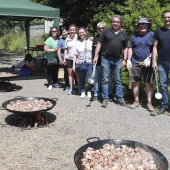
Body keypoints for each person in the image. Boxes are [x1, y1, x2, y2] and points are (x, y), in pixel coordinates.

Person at [93, 15, 128, 107]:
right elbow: (99, 44)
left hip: (117, 59)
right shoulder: (105, 31)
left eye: (117, 22)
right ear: (111, 22)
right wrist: (96, 56)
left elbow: (125, 48)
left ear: (120, 23)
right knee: (105, 80)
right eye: (114, 21)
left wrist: (125, 59)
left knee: (118, 80)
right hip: (106, 58)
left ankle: (120, 99)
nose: (115, 23)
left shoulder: (123, 34)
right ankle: (105, 98)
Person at [127, 18, 155, 111]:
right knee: (135, 83)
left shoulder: (152, 35)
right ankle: (136, 101)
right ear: (138, 26)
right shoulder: (134, 36)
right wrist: (128, 60)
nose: (143, 26)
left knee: (149, 83)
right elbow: (130, 48)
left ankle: (149, 103)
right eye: (141, 24)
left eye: (145, 24)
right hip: (136, 62)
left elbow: (155, 48)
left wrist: (150, 58)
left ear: (148, 26)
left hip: (148, 63)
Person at [152, 10, 170, 115]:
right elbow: (155, 47)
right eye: (165, 17)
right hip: (162, 62)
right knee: (163, 85)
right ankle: (164, 105)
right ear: (163, 18)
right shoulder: (158, 31)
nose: (167, 19)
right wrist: (154, 61)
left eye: (169, 17)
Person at [92, 22, 113, 101]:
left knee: (108, 79)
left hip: (108, 62)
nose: (101, 29)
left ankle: (109, 94)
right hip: (98, 62)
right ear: (97, 29)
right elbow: (93, 50)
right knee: (96, 79)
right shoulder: (95, 38)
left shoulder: (109, 37)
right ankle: (96, 93)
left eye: (103, 28)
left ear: (105, 28)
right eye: (99, 28)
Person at [72, 27, 93, 98]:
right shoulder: (77, 43)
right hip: (80, 63)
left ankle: (89, 90)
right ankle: (83, 91)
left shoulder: (90, 41)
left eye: (82, 32)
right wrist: (74, 65)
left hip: (89, 62)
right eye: (80, 33)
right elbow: (75, 54)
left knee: (89, 78)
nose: (81, 34)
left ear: (86, 33)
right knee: (81, 78)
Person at [64, 24, 79, 95]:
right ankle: (71, 88)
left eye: (73, 30)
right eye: (71, 30)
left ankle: (80, 88)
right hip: (69, 58)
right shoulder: (67, 39)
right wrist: (64, 58)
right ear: (69, 31)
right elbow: (66, 49)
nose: (72, 31)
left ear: (76, 30)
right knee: (70, 74)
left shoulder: (78, 37)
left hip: (77, 58)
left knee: (77, 73)